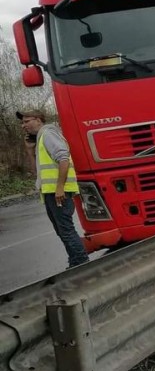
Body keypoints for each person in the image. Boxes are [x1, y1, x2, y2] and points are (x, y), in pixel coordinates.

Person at [17, 109, 89, 269]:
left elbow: (64, 159)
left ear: (38, 120)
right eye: (22, 122)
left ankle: (82, 264)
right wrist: (30, 150)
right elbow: (39, 173)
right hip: (51, 193)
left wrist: (59, 188)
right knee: (62, 231)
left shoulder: (48, 133)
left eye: (27, 121)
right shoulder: (41, 138)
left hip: (59, 193)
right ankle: (76, 263)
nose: (23, 125)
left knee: (66, 230)